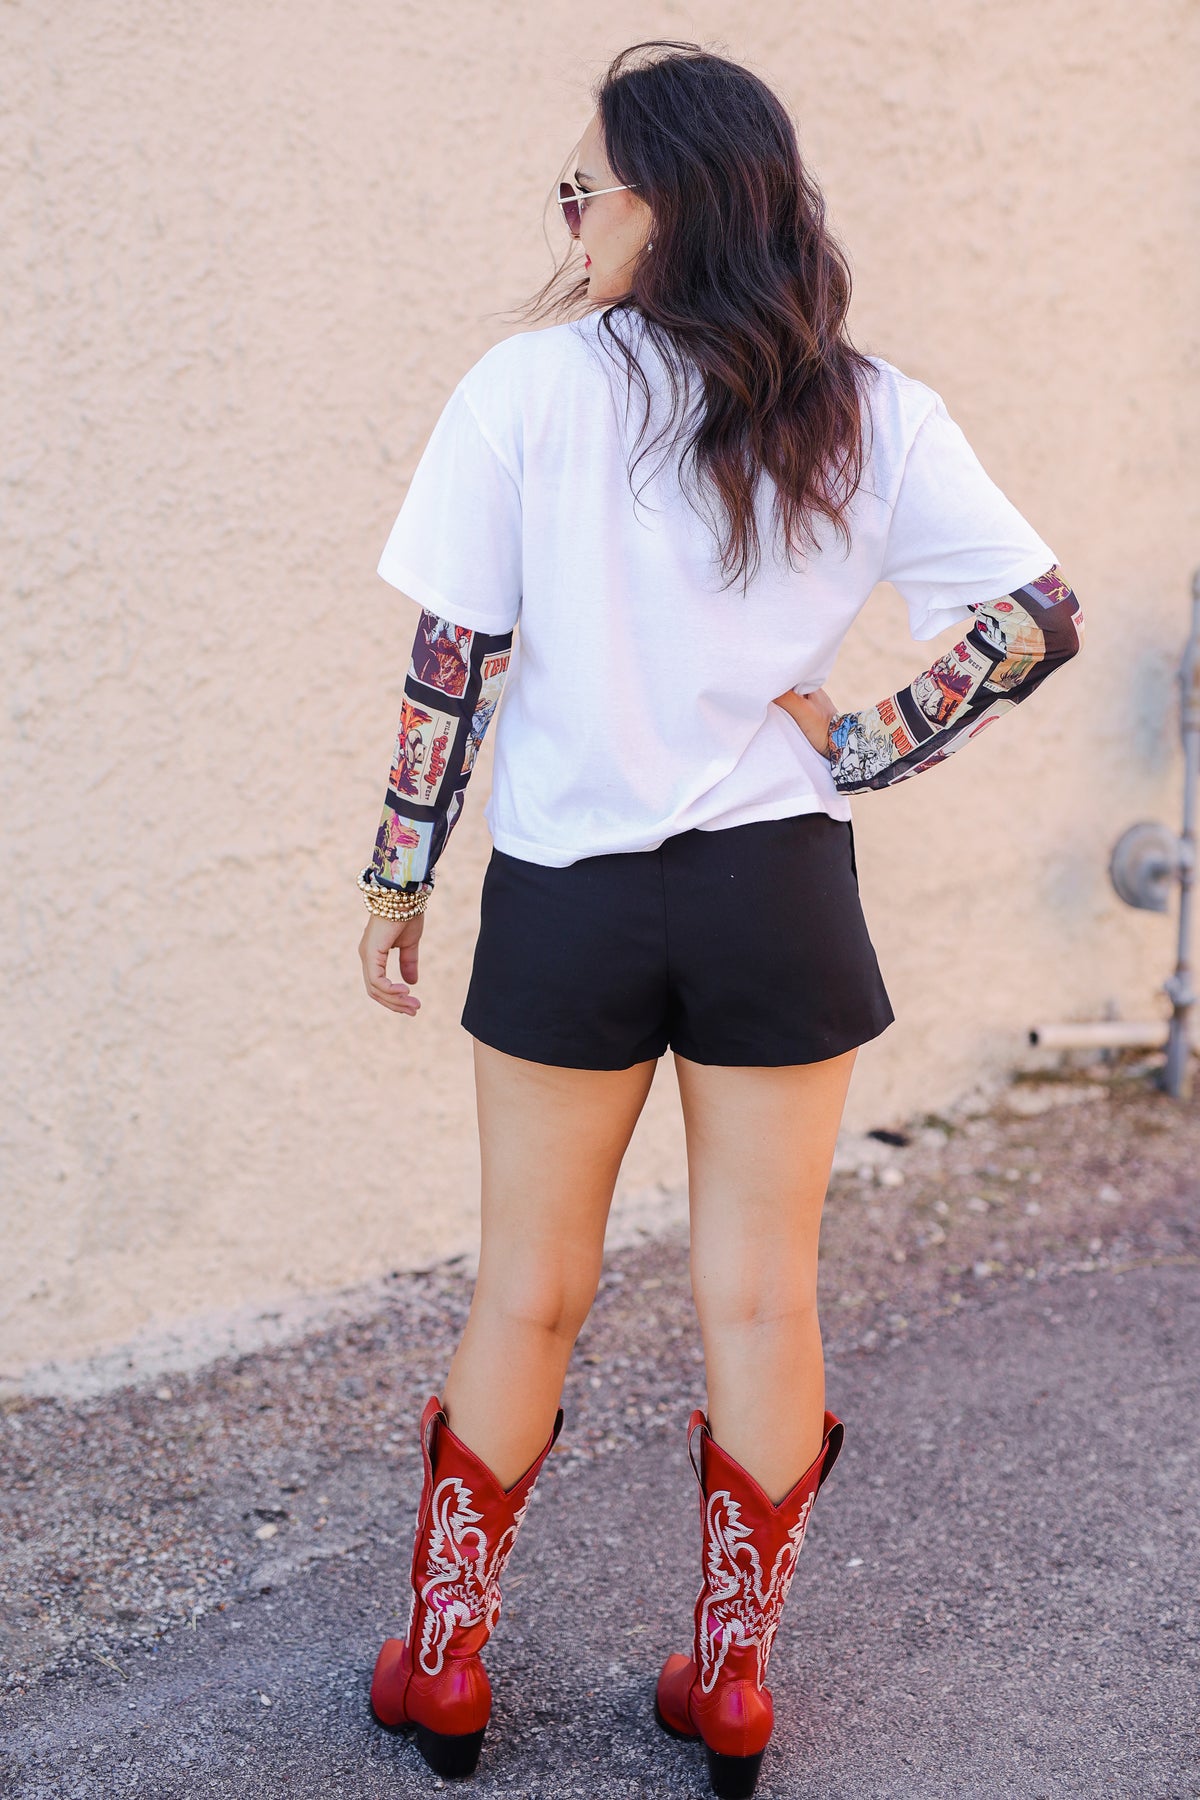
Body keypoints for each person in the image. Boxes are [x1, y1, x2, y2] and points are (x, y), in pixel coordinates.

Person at [357, 39, 1083, 1798]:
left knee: (528, 1288)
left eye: (583, 189)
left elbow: (456, 662)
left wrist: (399, 873)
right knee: (761, 1297)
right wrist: (870, 745)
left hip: (568, 896)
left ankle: (447, 1667)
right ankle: (731, 1688)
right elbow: (1034, 617)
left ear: (663, 200)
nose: (572, 218)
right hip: (778, 891)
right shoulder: (868, 407)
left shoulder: (525, 395)